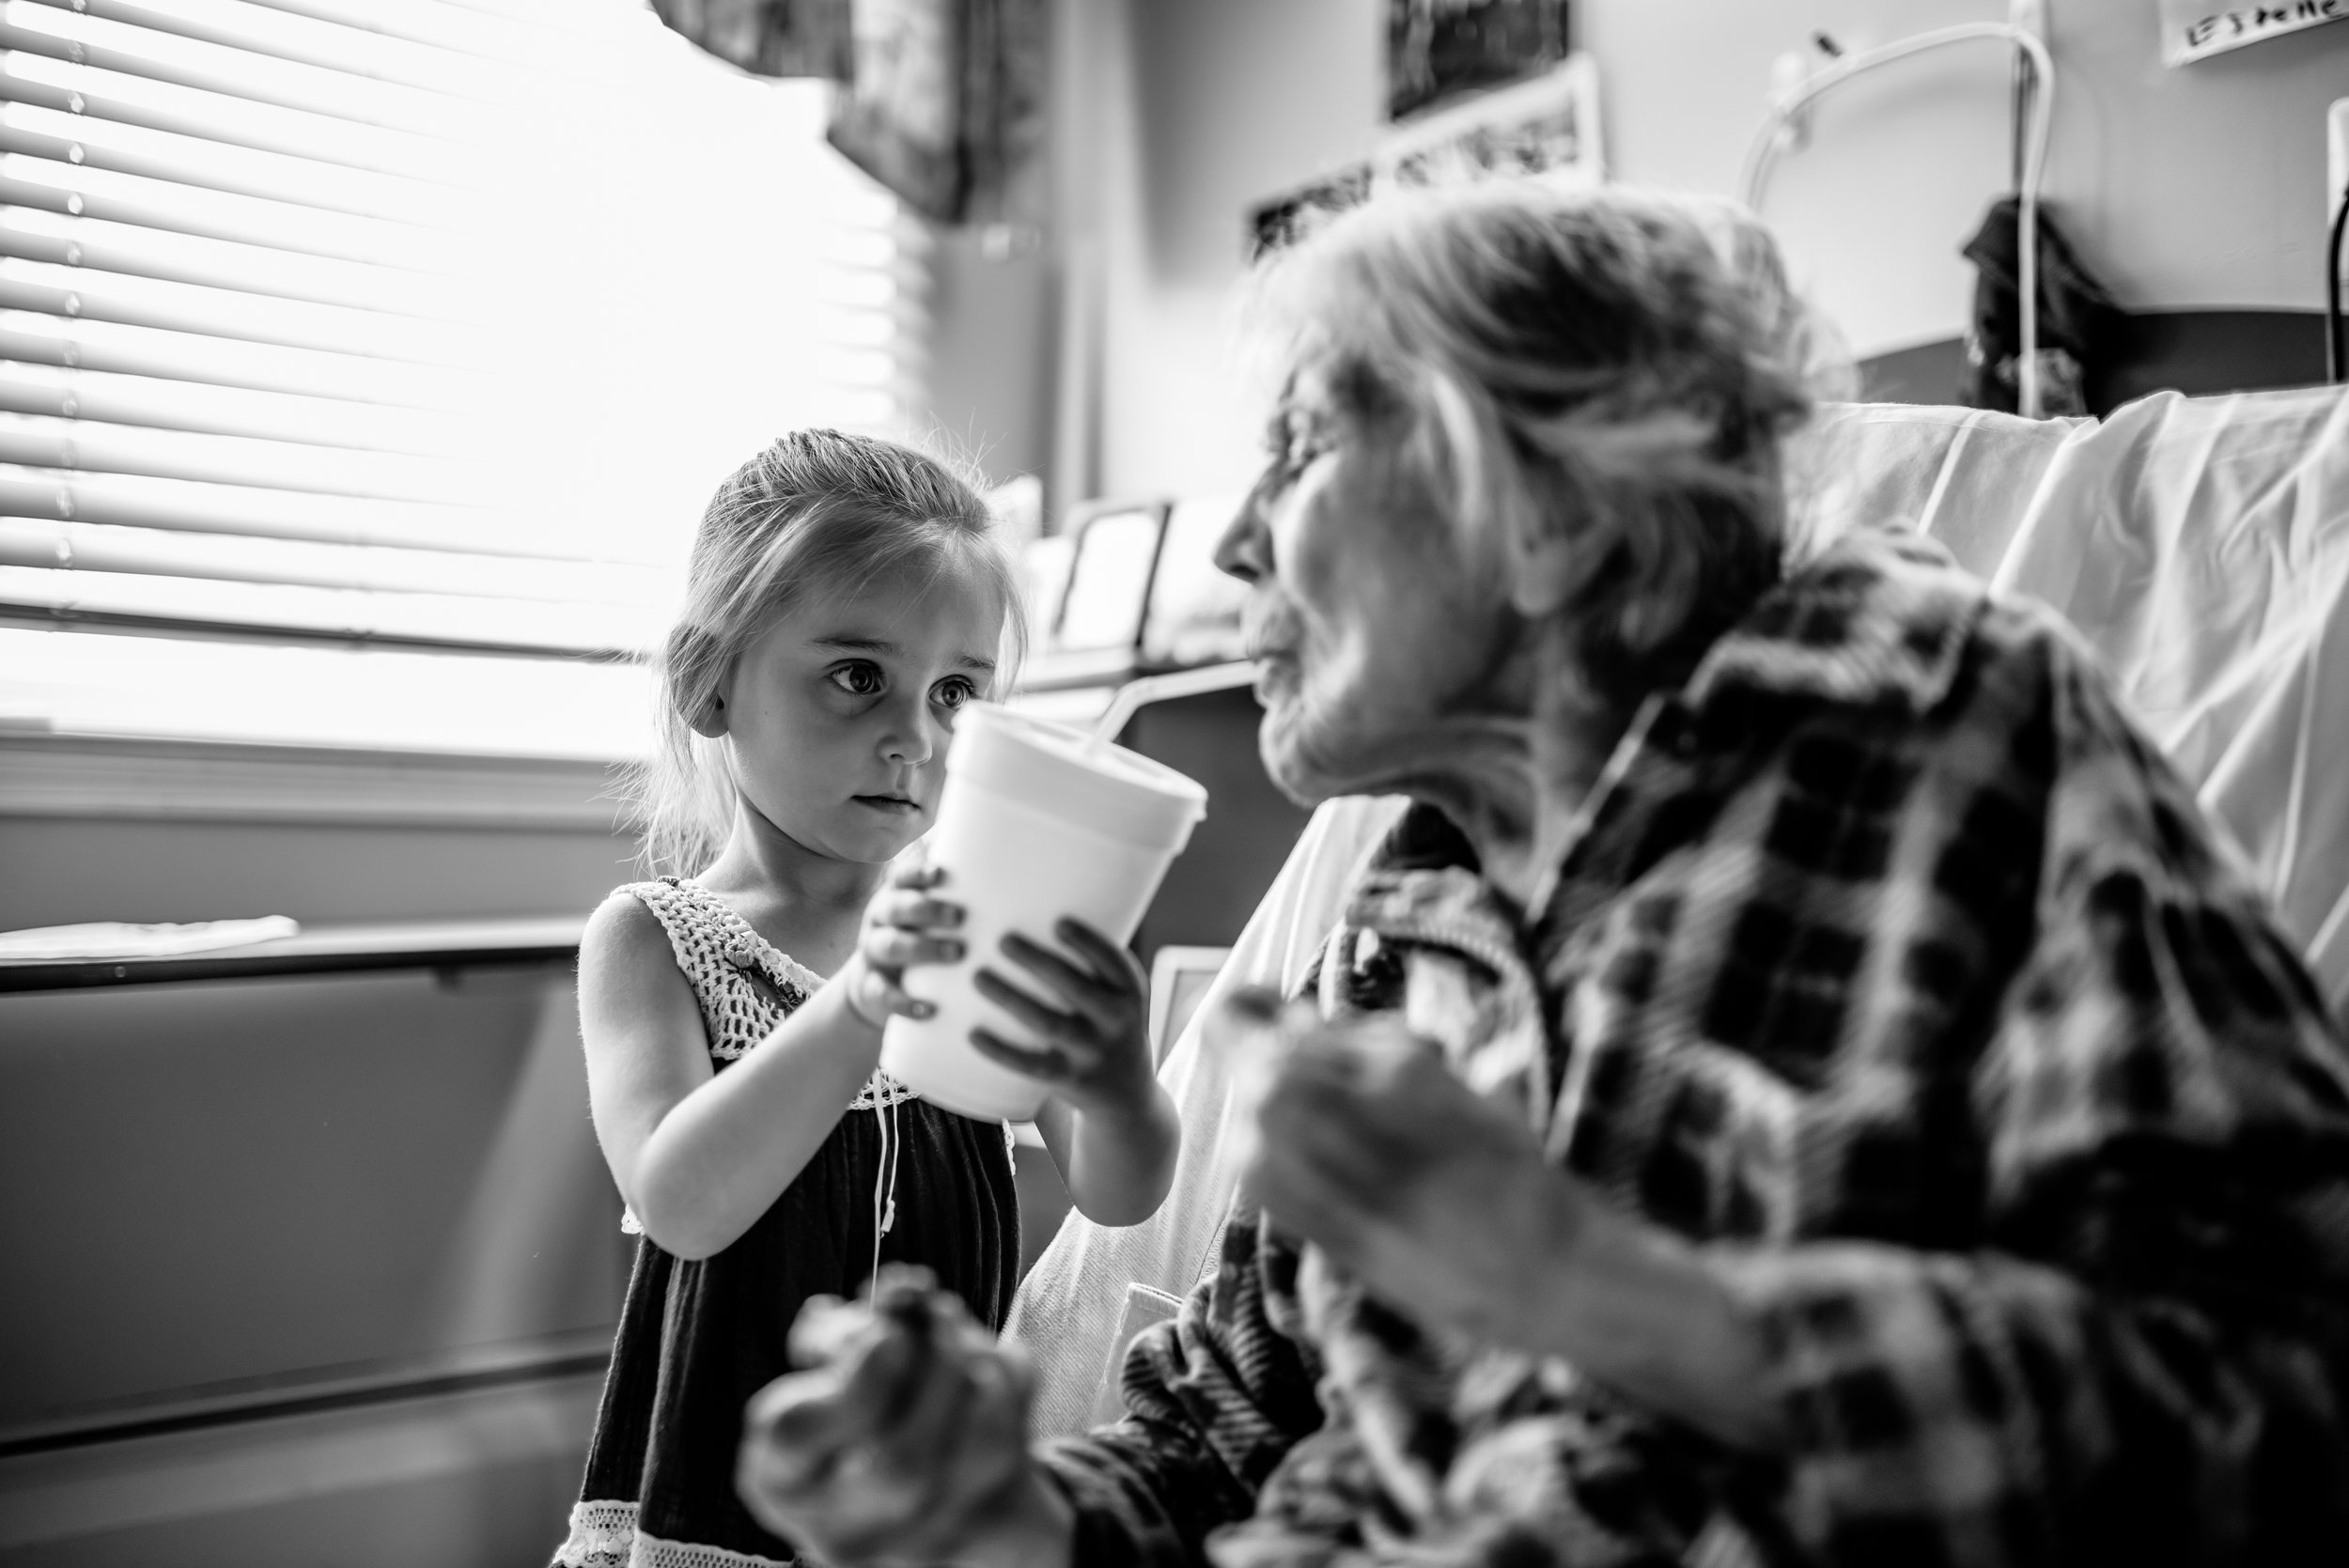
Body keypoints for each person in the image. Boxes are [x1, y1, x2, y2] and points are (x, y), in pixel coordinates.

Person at [731, 186, 2349, 1565]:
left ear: (1548, 513)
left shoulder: (1960, 740)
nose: (1234, 547)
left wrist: (1602, 1293)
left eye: (1300, 451)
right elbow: (1225, 1430)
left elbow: (2261, 1408)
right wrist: (993, 1508)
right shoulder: (1417, 904)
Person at [552, 430, 1179, 1567]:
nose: (915, 738)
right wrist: (858, 1007)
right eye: (857, 677)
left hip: (936, 1491)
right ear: (707, 681)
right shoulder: (659, 940)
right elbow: (682, 1202)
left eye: (955, 691)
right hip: (733, 1491)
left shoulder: (969, 921)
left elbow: (1118, 1188)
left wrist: (1120, 1072)